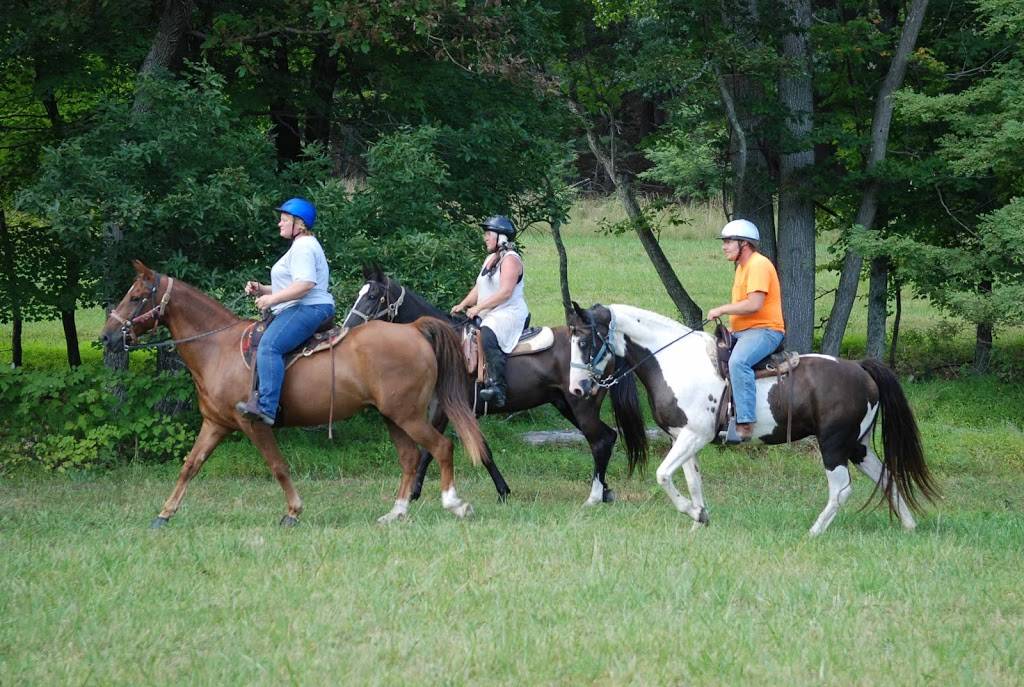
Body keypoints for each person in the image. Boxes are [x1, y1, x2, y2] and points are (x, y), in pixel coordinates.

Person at [236, 198, 335, 426]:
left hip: (309, 307)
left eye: (284, 220)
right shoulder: (301, 246)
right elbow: (291, 284)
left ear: (299, 224)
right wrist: (262, 289)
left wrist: (272, 299)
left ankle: (267, 408)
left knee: (270, 346)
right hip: (304, 305)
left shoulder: (303, 247)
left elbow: (305, 284)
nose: (279, 224)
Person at [707, 219, 785, 442]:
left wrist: (721, 309)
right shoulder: (742, 268)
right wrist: (733, 327)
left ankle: (745, 422)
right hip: (746, 331)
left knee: (738, 362)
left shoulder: (758, 265)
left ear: (745, 244)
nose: (724, 246)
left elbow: (754, 304)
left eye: (728, 241)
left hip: (766, 331)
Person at [451, 215, 529, 408]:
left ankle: (498, 388)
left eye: (488, 234)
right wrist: (463, 304)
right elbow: (479, 287)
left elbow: (505, 293)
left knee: (487, 333)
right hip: (492, 311)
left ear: (501, 237)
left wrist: (478, 308)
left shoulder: (511, 260)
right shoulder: (490, 259)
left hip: (509, 312)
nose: (485, 238)